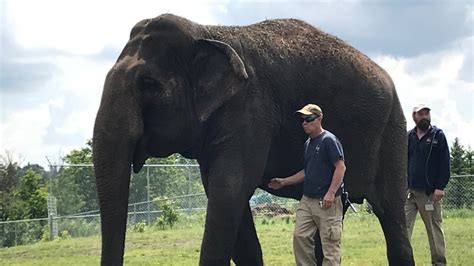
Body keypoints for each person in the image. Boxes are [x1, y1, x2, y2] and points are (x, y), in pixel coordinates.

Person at [268, 104, 346, 266]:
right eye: (302, 120)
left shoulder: (329, 140)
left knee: (329, 245)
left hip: (327, 202)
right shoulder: (308, 143)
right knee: (300, 237)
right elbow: (307, 171)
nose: (304, 123)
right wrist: (284, 182)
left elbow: (340, 167)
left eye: (308, 119)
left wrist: (331, 193)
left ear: (319, 119)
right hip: (308, 200)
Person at [405, 104, 450, 266]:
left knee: (434, 229)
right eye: (421, 114)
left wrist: (440, 187)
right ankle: (404, 261)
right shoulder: (409, 137)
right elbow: (404, 162)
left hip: (429, 194)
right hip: (410, 194)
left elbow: (445, 163)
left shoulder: (438, 136)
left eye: (426, 113)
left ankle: (438, 262)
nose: (424, 116)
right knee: (403, 229)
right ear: (414, 116)